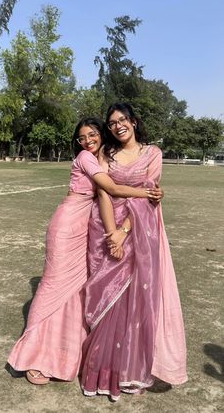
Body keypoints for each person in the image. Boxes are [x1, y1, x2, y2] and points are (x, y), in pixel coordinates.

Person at [7, 117, 163, 385]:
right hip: (68, 223)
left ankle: (65, 354)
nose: (88, 141)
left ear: (101, 135)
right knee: (52, 286)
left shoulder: (104, 157)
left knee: (77, 291)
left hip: (87, 227)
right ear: (77, 143)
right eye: (82, 137)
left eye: (92, 135)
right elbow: (111, 188)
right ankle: (34, 355)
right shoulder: (85, 157)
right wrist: (147, 194)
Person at [81, 103, 187, 401]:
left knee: (136, 301)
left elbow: (151, 197)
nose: (117, 126)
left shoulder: (153, 154)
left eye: (122, 120)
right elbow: (103, 191)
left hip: (139, 231)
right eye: (112, 122)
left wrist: (123, 231)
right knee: (107, 297)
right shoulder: (107, 154)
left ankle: (128, 370)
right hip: (103, 226)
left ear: (134, 122)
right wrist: (111, 232)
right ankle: (100, 370)